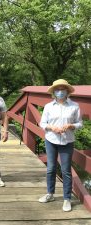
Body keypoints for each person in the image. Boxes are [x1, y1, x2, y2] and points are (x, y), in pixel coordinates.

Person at [39, 79, 82, 212]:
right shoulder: (48, 106)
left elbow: (80, 123)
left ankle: (67, 199)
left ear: (67, 91)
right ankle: (50, 194)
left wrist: (71, 126)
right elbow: (42, 123)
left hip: (67, 141)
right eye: (58, 89)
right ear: (54, 92)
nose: (60, 91)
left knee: (66, 171)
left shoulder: (75, 106)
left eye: (63, 89)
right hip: (51, 140)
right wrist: (51, 128)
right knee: (51, 168)